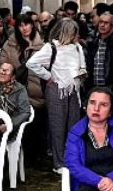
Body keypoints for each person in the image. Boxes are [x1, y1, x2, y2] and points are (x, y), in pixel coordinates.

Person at [27, 19, 87, 172]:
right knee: (57, 126)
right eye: (74, 32)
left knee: (73, 124)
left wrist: (81, 73)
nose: (77, 35)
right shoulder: (51, 47)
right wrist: (48, 76)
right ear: (67, 33)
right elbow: (32, 63)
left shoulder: (78, 48)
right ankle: (59, 163)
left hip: (74, 89)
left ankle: (72, 158)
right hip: (56, 89)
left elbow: (82, 66)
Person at [0, 12, 46, 113]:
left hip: (37, 95)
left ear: (32, 25)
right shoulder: (9, 45)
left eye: (27, 24)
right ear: (17, 28)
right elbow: (2, 65)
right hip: (14, 94)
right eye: (21, 25)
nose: (24, 28)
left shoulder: (43, 46)